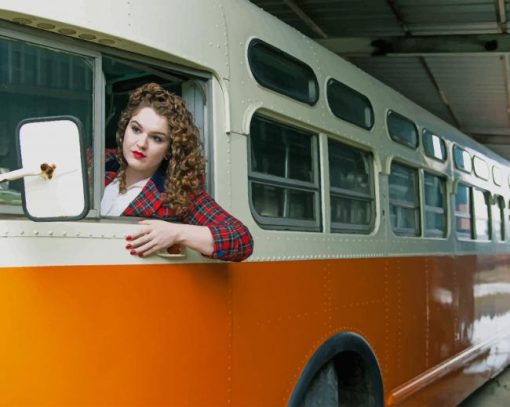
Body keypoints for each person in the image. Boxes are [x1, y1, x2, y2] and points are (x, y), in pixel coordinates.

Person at [100, 83, 253, 262]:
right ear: (124, 129)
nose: (141, 143)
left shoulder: (176, 193)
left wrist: (176, 232)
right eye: (136, 129)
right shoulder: (99, 167)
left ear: (169, 150)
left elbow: (241, 239)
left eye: (156, 138)